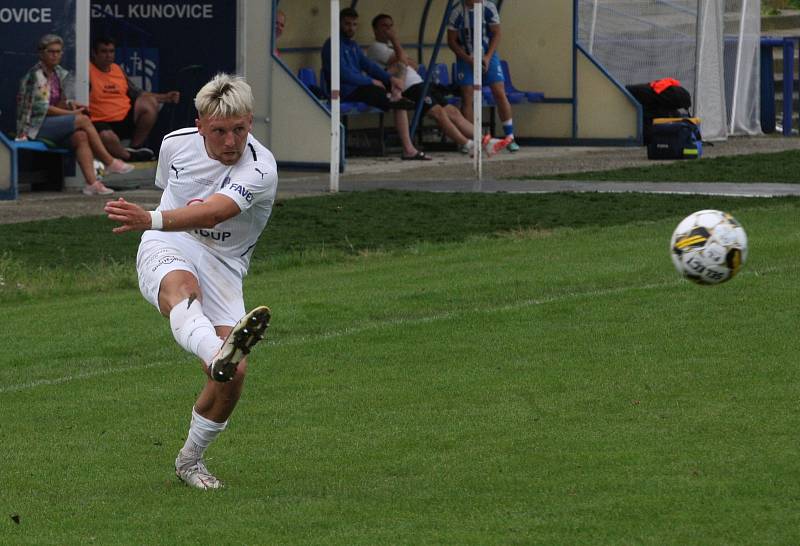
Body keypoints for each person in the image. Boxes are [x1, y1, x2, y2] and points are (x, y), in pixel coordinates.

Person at [103, 73, 275, 490]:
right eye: (219, 131)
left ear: (250, 122)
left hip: (226, 266)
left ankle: (190, 460)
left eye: (239, 129)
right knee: (183, 290)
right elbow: (170, 192)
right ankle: (218, 350)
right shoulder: (174, 143)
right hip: (169, 241)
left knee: (232, 377)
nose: (230, 141)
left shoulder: (260, 168)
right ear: (200, 126)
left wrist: (151, 216)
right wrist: (155, 224)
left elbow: (214, 212)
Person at [367, 13, 509, 157]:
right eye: (384, 26)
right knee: (438, 113)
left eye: (391, 26)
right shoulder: (375, 48)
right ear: (375, 29)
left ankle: (485, 141)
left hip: (420, 83)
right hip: (408, 88)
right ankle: (468, 144)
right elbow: (404, 60)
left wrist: (401, 60)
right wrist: (396, 43)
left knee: (452, 111)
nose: (389, 29)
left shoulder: (391, 48)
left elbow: (414, 65)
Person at [16, 34, 133, 196]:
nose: (55, 55)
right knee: (83, 119)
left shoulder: (59, 73)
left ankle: (92, 183)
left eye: (58, 52)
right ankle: (109, 161)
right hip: (33, 128)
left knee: (81, 136)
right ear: (41, 54)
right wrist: (73, 113)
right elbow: (45, 109)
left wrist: (73, 105)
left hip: (53, 125)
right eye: (51, 52)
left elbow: (61, 102)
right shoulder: (36, 75)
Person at [322, 7, 431, 160]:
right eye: (347, 24)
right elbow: (343, 74)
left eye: (354, 24)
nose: (351, 28)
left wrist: (389, 79)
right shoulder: (332, 45)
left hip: (360, 88)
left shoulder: (353, 46)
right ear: (338, 23)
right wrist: (371, 80)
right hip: (344, 91)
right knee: (397, 101)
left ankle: (408, 148)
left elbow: (368, 65)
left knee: (398, 101)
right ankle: (409, 149)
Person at [89, 36, 181, 162]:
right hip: (100, 120)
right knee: (106, 136)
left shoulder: (117, 69)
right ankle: (128, 156)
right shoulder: (86, 71)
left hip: (124, 117)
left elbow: (137, 92)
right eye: (104, 51)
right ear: (94, 53)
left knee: (149, 103)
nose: (108, 55)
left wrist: (165, 97)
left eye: (111, 51)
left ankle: (134, 147)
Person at [447, 0, 519, 152]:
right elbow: (451, 40)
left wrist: (487, 57)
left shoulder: (489, 7)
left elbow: (497, 33)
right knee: (467, 96)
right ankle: (473, 139)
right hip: (465, 57)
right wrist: (467, 58)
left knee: (499, 92)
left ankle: (510, 137)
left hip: (488, 55)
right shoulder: (457, 11)